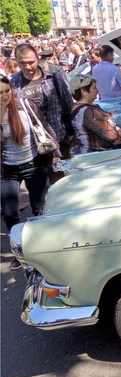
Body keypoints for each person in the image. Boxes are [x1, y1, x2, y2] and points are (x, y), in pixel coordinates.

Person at [1, 75, 60, 270]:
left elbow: (45, 127)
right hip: (6, 170)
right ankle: (21, 251)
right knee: (10, 213)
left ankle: (41, 247)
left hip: (33, 163)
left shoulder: (24, 106)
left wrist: (56, 153)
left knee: (39, 207)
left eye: (6, 91)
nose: (4, 96)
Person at [11, 43, 74, 181]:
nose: (28, 66)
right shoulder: (13, 83)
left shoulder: (54, 78)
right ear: (16, 61)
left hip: (59, 140)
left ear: (38, 59)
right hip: (32, 147)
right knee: (39, 190)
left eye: (31, 62)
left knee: (62, 182)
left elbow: (69, 105)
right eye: (22, 63)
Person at [69, 74, 121, 154]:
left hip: (89, 154)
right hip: (96, 156)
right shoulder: (87, 111)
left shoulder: (78, 107)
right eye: (94, 87)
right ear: (84, 91)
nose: (98, 90)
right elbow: (113, 137)